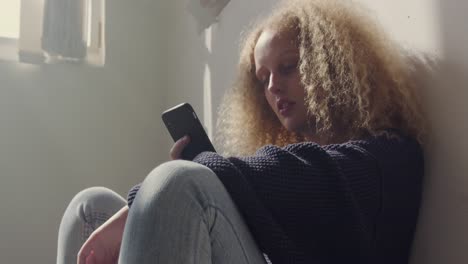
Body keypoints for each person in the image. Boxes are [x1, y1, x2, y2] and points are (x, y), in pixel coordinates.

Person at [56, 0, 429, 263]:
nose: (272, 89)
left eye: (287, 68)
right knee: (89, 208)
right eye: (262, 78)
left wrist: (152, 198)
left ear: (330, 65)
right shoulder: (291, 168)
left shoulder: (390, 158)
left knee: (182, 183)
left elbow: (303, 175)